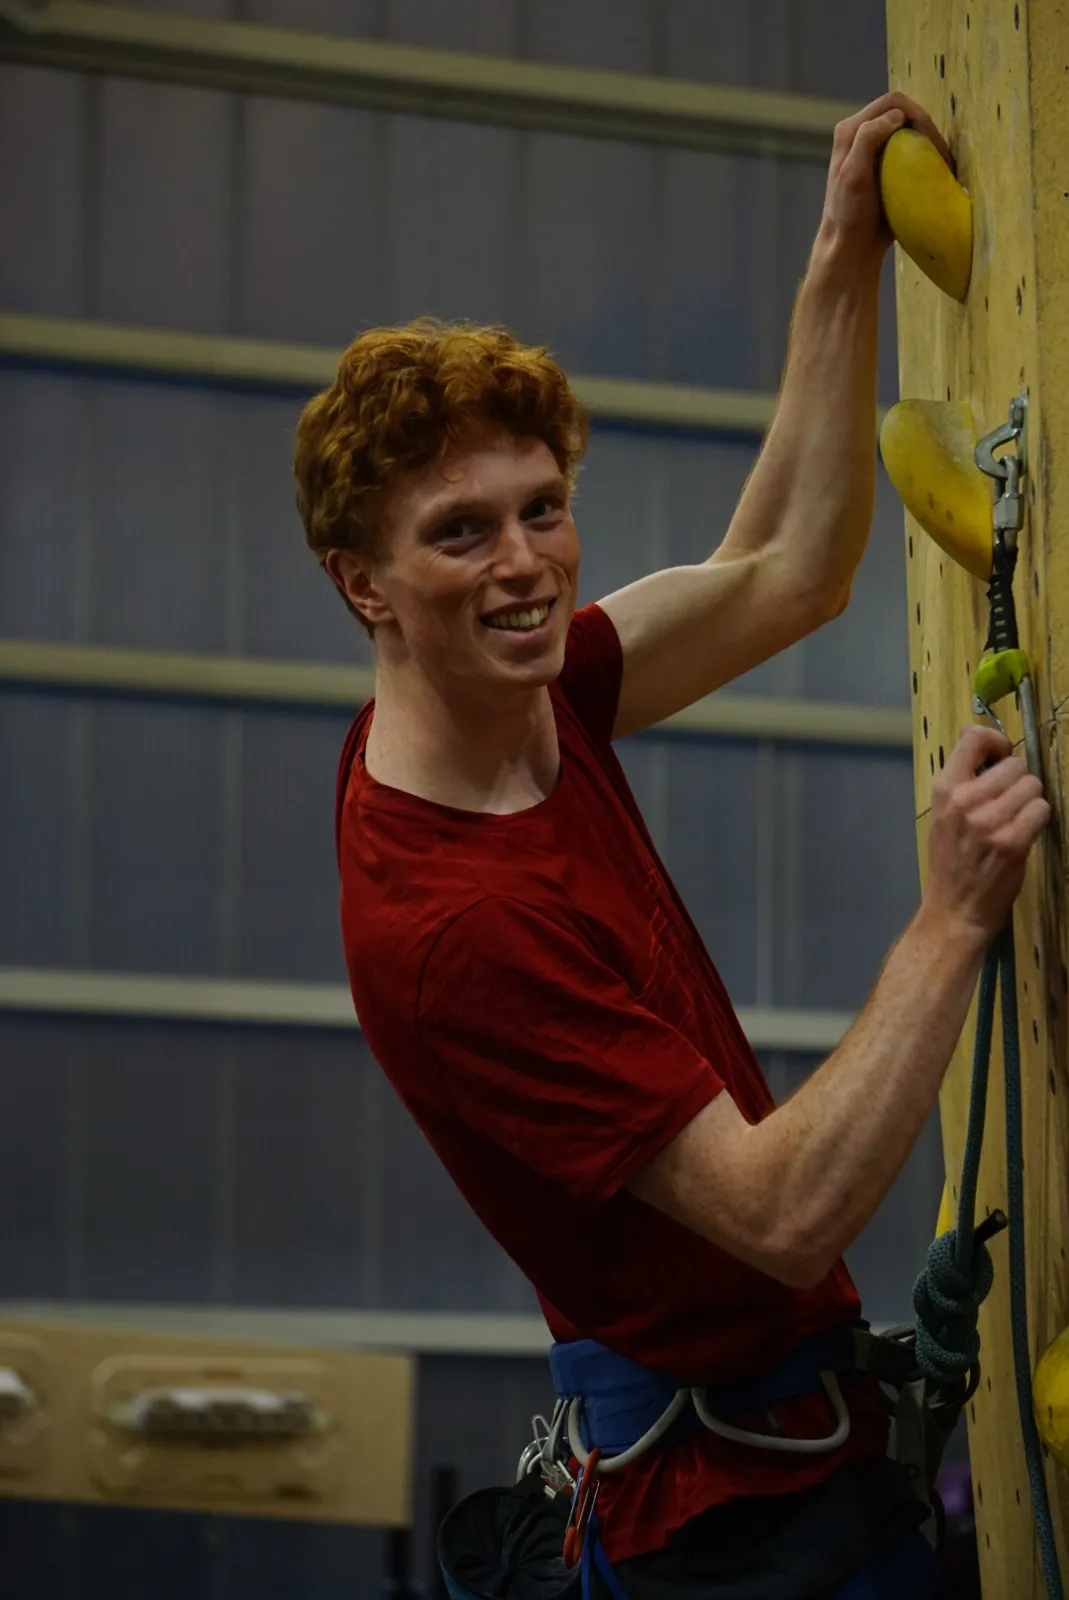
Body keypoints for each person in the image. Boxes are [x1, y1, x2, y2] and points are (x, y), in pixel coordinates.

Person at [292, 91, 1049, 1599]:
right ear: (361, 581)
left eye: (545, 509)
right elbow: (782, 1214)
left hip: (782, 1439)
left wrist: (842, 260)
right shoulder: (457, 928)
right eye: (460, 533)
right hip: (730, 1524)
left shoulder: (522, 696)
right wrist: (951, 919)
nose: (525, 566)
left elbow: (784, 571)